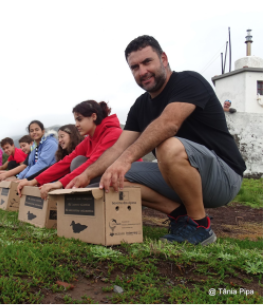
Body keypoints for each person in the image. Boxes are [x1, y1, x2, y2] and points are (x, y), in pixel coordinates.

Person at [68, 35, 246, 246]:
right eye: (135, 67)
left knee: (168, 145)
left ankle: (200, 225)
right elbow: (118, 149)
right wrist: (86, 175)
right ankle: (181, 216)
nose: (142, 71)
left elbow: (169, 124)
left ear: (163, 58)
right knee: (110, 178)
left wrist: (126, 159)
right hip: (179, 176)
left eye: (147, 62)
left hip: (223, 176)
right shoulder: (140, 105)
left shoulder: (189, 82)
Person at [17, 101, 122, 197]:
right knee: (77, 160)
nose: (76, 125)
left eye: (79, 119)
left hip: (121, 176)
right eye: (75, 120)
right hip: (98, 177)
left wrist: (59, 183)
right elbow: (66, 162)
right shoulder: (89, 140)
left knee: (79, 163)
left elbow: (94, 163)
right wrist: (33, 181)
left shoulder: (113, 134)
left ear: (93, 116)